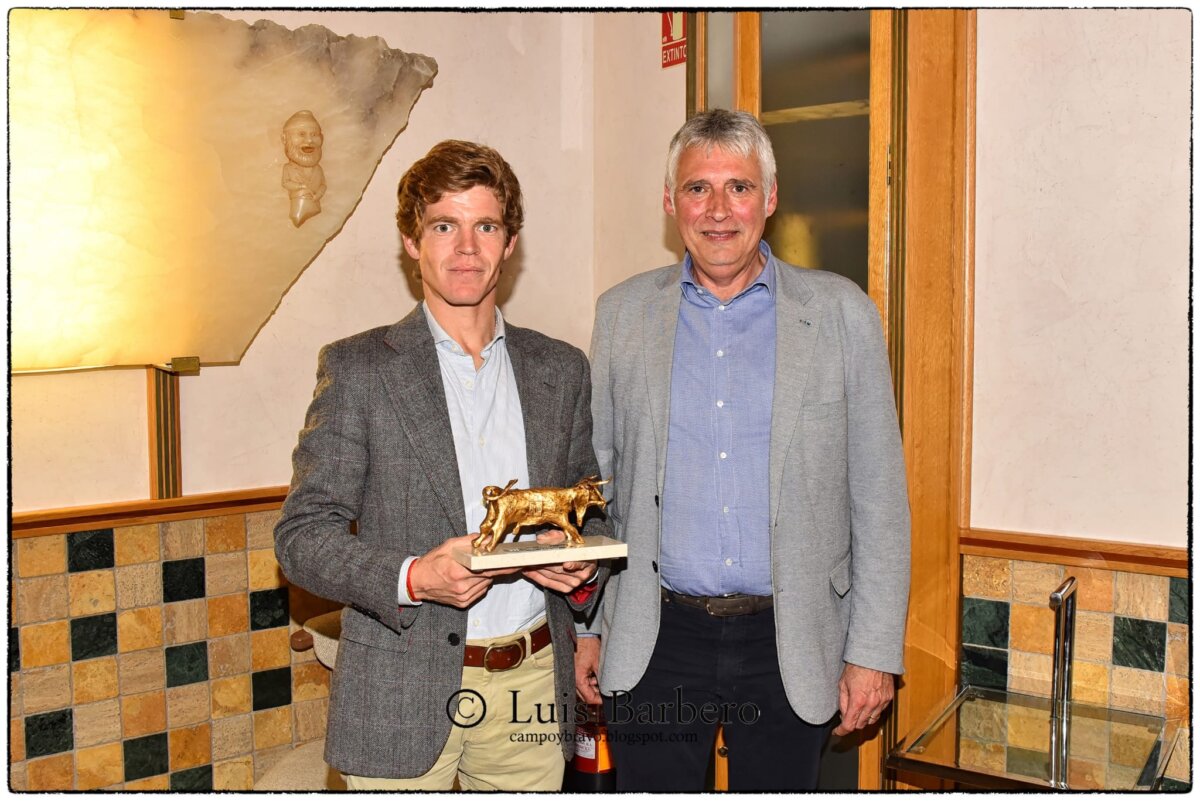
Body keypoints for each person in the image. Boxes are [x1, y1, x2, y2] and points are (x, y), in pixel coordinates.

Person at [576, 109, 911, 791]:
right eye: (698, 188)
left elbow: (879, 498)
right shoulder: (621, 315)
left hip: (792, 639)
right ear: (670, 202)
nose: (719, 210)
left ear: (771, 197)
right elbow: (596, 488)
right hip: (655, 636)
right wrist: (586, 625)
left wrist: (873, 652)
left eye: (740, 187)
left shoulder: (841, 314)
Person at [276, 139, 607, 790]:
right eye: (444, 226)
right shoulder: (359, 369)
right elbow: (301, 538)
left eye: (486, 226)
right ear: (412, 241)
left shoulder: (561, 370)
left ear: (509, 244)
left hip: (531, 688)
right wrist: (412, 577)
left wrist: (580, 564)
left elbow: (587, 512)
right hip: (399, 686)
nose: (466, 248)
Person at [281, 110, 327, 227]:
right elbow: (285, 183)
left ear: (321, 138)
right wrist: (300, 186)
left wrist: (318, 195)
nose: (309, 141)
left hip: (315, 206)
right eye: (301, 134)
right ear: (285, 139)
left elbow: (323, 185)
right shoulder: (288, 168)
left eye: (314, 135)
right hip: (297, 207)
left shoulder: (318, 169)